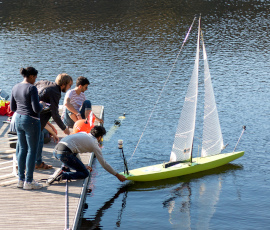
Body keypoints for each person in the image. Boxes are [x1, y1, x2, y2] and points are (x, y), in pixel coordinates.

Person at [47, 126, 126, 184]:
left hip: (56, 151)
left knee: (76, 165)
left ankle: (64, 168)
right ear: (99, 137)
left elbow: (75, 150)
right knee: (85, 173)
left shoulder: (84, 133)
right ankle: (62, 175)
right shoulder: (94, 145)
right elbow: (104, 164)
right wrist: (117, 175)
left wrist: (83, 165)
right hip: (64, 154)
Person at [10, 67, 44, 190]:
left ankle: (21, 180)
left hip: (18, 119)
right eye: (35, 77)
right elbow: (36, 109)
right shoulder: (31, 88)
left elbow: (13, 108)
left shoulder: (15, 87)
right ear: (30, 76)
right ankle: (29, 182)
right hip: (31, 121)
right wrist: (42, 104)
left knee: (23, 148)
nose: (35, 80)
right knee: (32, 150)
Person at [35, 73, 73, 169]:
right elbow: (54, 114)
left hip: (28, 115)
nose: (69, 88)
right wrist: (65, 129)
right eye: (69, 85)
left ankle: (29, 163)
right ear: (63, 84)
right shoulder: (56, 92)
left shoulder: (44, 82)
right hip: (36, 120)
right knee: (38, 142)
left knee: (34, 141)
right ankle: (36, 164)